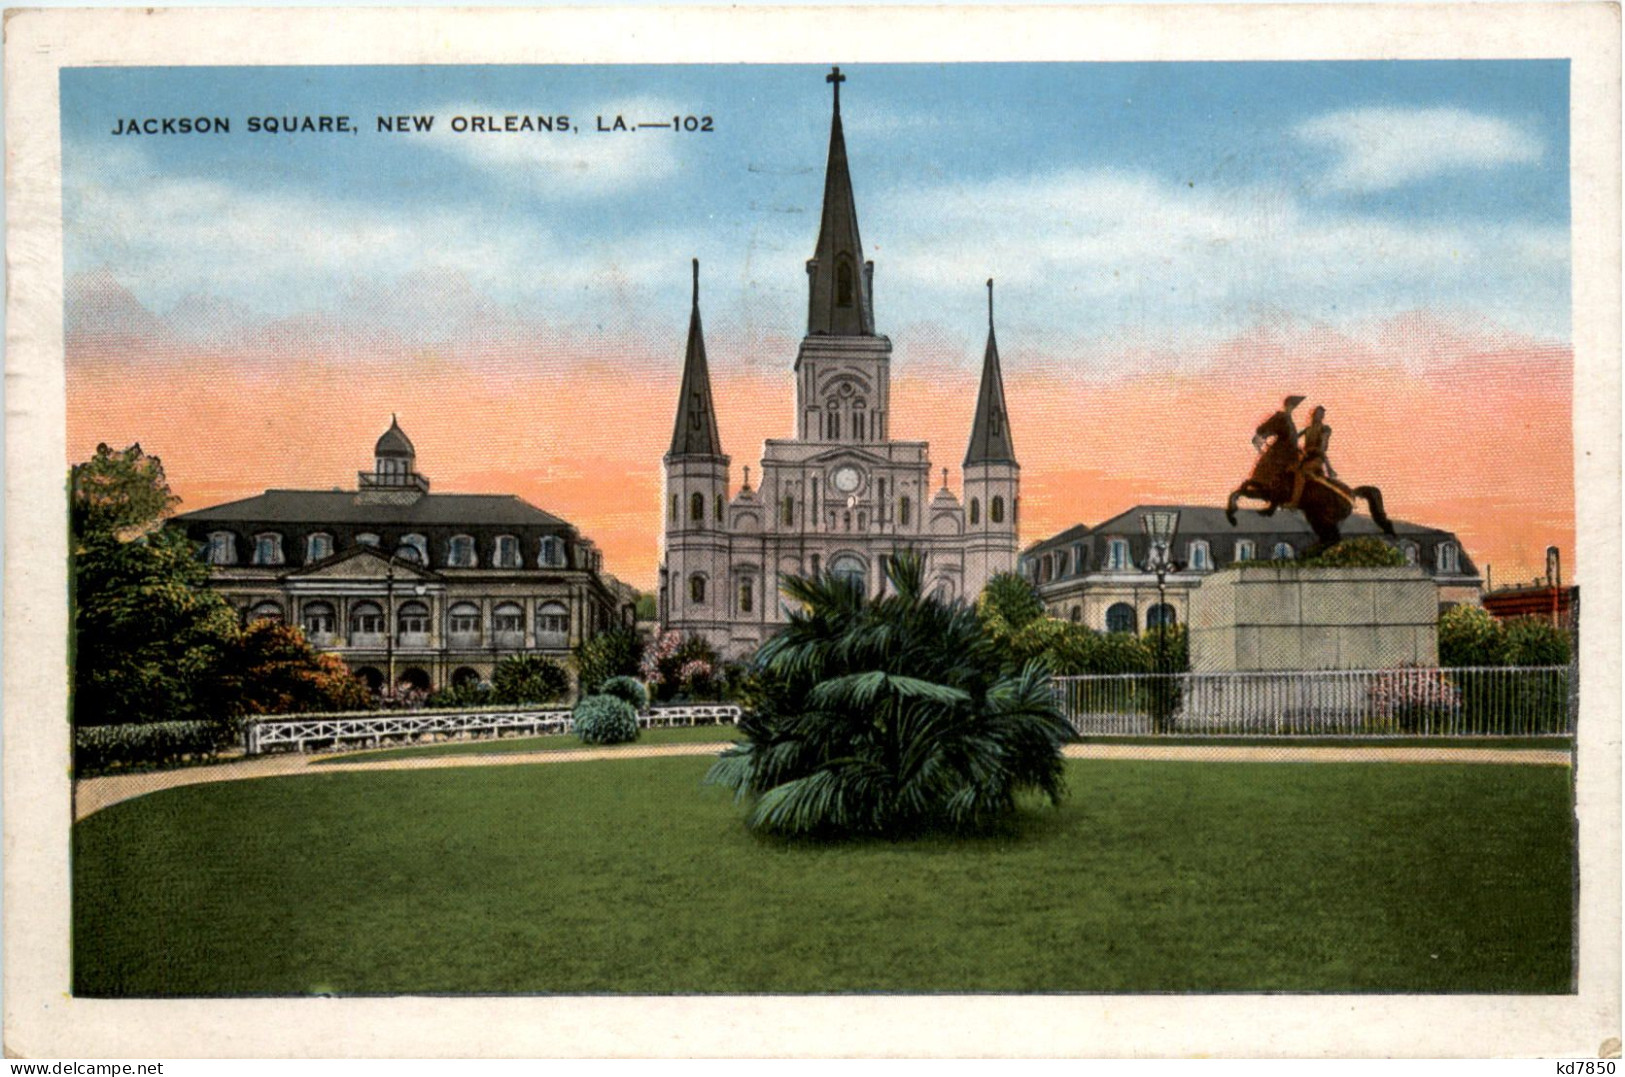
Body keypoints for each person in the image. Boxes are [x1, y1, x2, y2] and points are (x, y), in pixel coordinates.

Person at [1287, 404, 1341, 509]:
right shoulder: (1307, 429)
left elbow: (1323, 446)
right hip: (1305, 457)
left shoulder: (1325, 429)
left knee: (1300, 474)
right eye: (1316, 414)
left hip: (1316, 458)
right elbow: (1294, 438)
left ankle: (1294, 502)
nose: (1318, 416)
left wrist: (1316, 449)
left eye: (1320, 414)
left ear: (1322, 416)